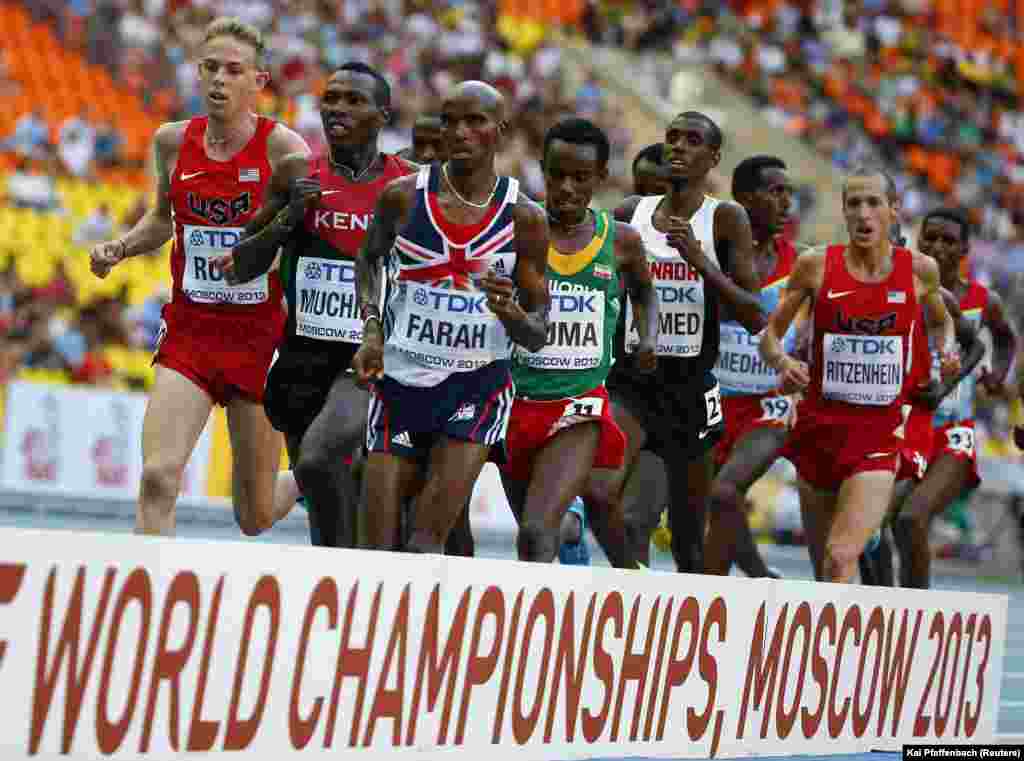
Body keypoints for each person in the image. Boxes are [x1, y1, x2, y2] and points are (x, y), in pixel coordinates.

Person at [89, 18, 309, 536]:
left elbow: (307, 232)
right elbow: (162, 218)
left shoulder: (285, 150)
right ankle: (146, 603)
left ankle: (311, 473)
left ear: (259, 81)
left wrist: (259, 251)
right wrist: (120, 247)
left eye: (234, 71)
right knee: (157, 477)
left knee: (253, 517)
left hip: (257, 337)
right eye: (210, 68)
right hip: (190, 331)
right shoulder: (171, 142)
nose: (219, 80)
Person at [214, 62, 415, 548]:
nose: (338, 109)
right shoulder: (296, 174)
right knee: (327, 499)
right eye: (332, 98)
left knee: (318, 462)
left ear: (382, 115)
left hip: (368, 361)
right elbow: (239, 266)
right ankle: (350, 595)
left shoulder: (408, 186)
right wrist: (288, 218)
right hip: (303, 362)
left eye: (354, 100)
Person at [353, 80, 550, 554]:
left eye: (475, 122)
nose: (460, 132)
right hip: (398, 382)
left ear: (499, 132)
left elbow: (539, 331)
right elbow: (368, 260)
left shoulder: (524, 218)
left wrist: (511, 312)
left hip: (476, 386)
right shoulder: (402, 197)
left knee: (424, 543)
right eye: (450, 122)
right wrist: (373, 327)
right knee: (375, 550)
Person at [759, 166, 960, 583]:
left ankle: (861, 544)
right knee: (825, 572)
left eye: (873, 203)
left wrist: (946, 349)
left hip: (879, 434)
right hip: (817, 430)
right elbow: (770, 338)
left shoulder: (919, 270)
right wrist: (784, 364)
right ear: (844, 211)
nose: (863, 213)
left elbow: (941, 322)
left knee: (839, 556)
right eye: (854, 204)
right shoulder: (815, 265)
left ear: (893, 210)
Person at [608, 111, 766, 573]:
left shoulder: (725, 218)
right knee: (612, 501)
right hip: (632, 381)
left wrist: (699, 259)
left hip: (690, 387)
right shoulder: (628, 215)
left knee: (687, 542)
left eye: (692, 140)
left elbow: (754, 314)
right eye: (672, 137)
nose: (678, 146)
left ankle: (688, 632)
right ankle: (627, 614)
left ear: (712, 158)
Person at [500, 117, 656, 565]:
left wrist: (647, 337)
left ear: (600, 178)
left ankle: (623, 588)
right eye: (556, 175)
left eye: (580, 178)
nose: (566, 187)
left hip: (579, 404)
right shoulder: (516, 230)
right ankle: (577, 558)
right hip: (516, 401)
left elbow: (645, 293)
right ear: (542, 170)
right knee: (549, 528)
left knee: (534, 533)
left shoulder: (622, 241)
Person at [891, 208, 1017, 588]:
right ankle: (883, 603)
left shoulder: (982, 300)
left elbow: (1006, 338)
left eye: (948, 241)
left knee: (911, 519)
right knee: (878, 525)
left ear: (964, 249)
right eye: (929, 237)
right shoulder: (899, 289)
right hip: (901, 427)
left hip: (952, 432)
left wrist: (998, 372)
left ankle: (916, 610)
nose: (936, 247)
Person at [703, 155, 798, 578]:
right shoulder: (712, 254)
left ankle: (760, 577)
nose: (786, 202)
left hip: (769, 403)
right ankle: (729, 605)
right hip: (713, 401)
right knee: (714, 531)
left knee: (725, 492)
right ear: (743, 198)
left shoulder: (803, 263)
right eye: (775, 191)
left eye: (788, 192)